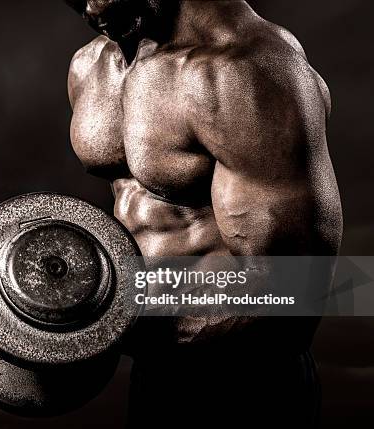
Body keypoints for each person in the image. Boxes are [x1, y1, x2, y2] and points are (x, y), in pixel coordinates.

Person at [65, 1, 343, 426]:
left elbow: (295, 289)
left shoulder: (245, 66)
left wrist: (111, 321)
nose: (89, 6)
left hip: (253, 384)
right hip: (154, 373)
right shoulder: (91, 67)